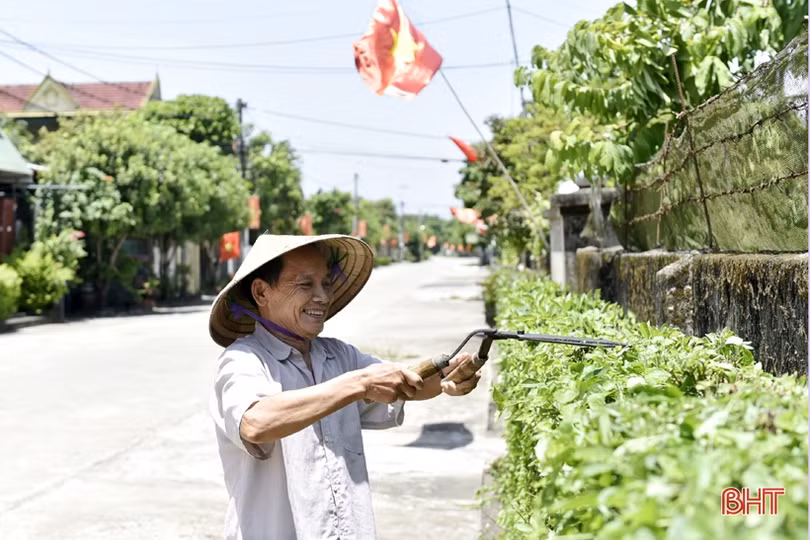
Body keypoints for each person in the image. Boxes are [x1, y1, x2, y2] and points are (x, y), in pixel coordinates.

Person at [208, 233, 482, 540]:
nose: (322, 297)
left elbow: (405, 383)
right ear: (261, 291)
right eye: (305, 284)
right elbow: (256, 422)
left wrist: (450, 375)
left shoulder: (338, 355)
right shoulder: (243, 360)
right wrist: (359, 382)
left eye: (325, 283)